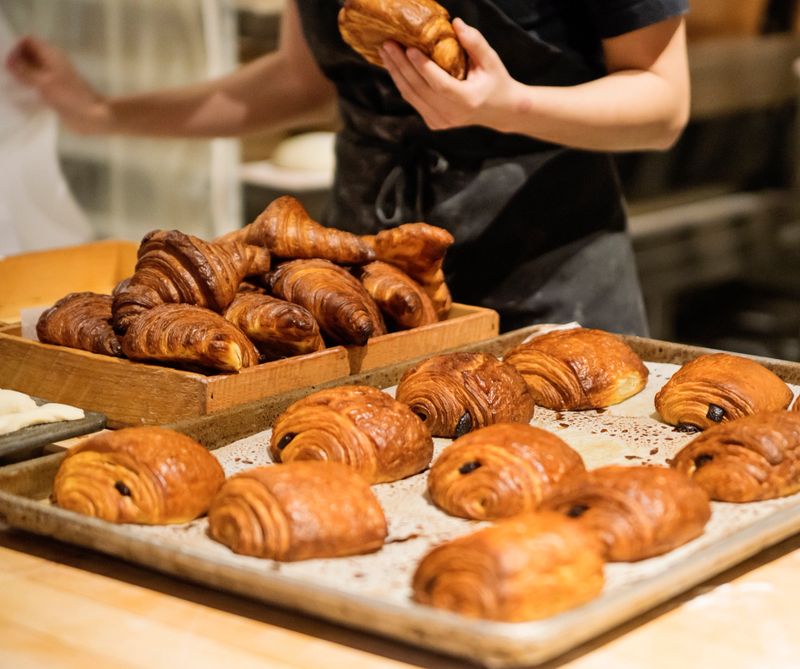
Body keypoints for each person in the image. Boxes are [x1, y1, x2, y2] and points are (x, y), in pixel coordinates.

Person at [6, 1, 690, 334]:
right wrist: (99, 113)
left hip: (548, 278)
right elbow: (295, 80)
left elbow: (663, 100)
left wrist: (507, 106)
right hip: (363, 286)